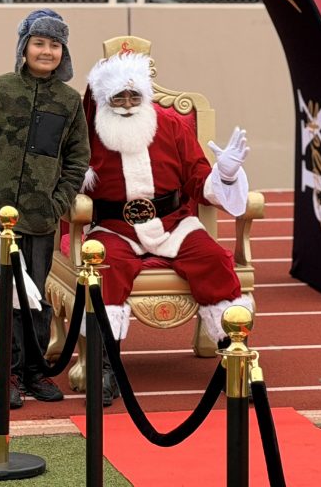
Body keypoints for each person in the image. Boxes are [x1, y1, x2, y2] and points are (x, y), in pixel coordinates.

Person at [81, 50, 253, 405]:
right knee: (105, 272)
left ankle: (235, 357)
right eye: (119, 97)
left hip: (173, 224)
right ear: (105, 99)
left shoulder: (171, 125)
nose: (127, 104)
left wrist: (227, 173)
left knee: (214, 260)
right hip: (115, 228)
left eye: (134, 96)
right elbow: (71, 178)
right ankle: (103, 366)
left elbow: (197, 178)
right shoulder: (88, 132)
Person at [0, 8, 90, 409]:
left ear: (62, 51)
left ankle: (34, 371)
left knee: (35, 297)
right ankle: (9, 370)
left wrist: (58, 203)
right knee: (3, 299)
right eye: (39, 43)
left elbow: (77, 157)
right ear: (24, 47)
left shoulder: (69, 101)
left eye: (54, 44)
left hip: (38, 220)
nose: (46, 51)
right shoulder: (0, 90)